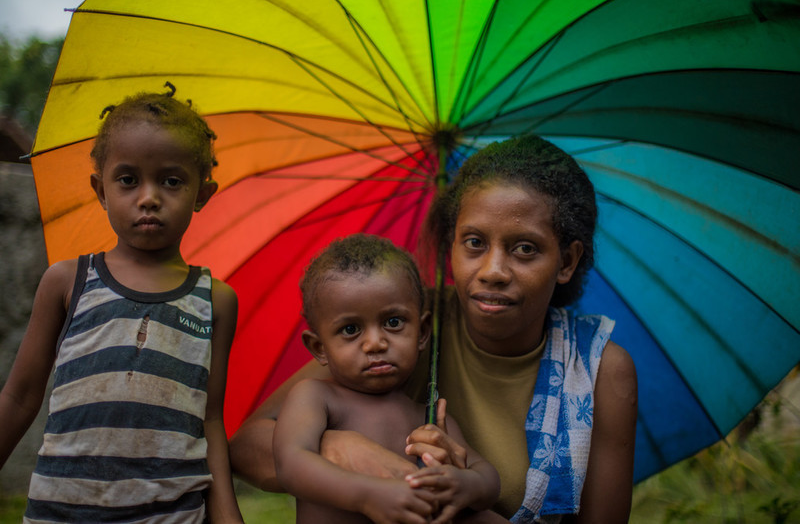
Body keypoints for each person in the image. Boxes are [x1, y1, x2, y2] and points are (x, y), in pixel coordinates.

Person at [230, 135, 638, 523]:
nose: (492, 271)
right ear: (452, 245)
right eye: (474, 242)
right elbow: (249, 446)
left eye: (525, 249)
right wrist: (346, 450)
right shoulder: (398, 325)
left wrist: (456, 493)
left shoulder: (597, 373)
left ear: (566, 261)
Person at [0, 87, 244, 523]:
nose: (148, 197)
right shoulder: (66, 281)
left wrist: (228, 517)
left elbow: (208, 422)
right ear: (101, 189)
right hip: (61, 513)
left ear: (202, 193)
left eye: (171, 180)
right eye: (128, 179)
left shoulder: (216, 300)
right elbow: (19, 398)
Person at [274, 234, 500, 523]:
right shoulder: (316, 397)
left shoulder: (427, 416)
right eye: (350, 329)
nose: (375, 343)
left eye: (393, 322)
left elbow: (487, 477)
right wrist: (368, 495)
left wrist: (465, 484)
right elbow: (291, 464)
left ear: (422, 332)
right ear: (319, 348)